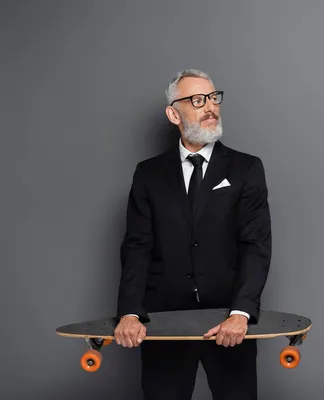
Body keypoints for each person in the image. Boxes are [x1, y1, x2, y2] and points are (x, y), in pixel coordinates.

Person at [113, 69, 272, 400]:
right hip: (164, 323)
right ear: (174, 113)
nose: (210, 107)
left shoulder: (246, 169)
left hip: (228, 323)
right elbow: (137, 246)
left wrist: (240, 314)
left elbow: (255, 245)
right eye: (197, 100)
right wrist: (130, 311)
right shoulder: (148, 174)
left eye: (214, 98)